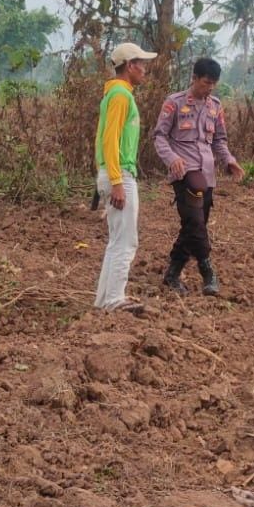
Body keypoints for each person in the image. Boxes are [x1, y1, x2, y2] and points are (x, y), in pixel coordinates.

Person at [152, 57, 243, 296]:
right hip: (184, 173)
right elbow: (159, 136)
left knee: (193, 225)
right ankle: (207, 271)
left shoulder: (215, 106)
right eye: (206, 83)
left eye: (213, 83)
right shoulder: (174, 103)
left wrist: (229, 160)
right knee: (195, 222)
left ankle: (172, 273)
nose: (210, 88)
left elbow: (219, 140)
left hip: (207, 174)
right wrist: (172, 158)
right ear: (194, 78)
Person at [92, 41, 158, 315]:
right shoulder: (120, 96)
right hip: (120, 174)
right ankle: (114, 299)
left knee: (117, 240)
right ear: (130, 66)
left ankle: (104, 300)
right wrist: (117, 182)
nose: (144, 69)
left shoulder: (116, 94)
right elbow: (110, 140)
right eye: (141, 64)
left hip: (113, 173)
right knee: (126, 241)